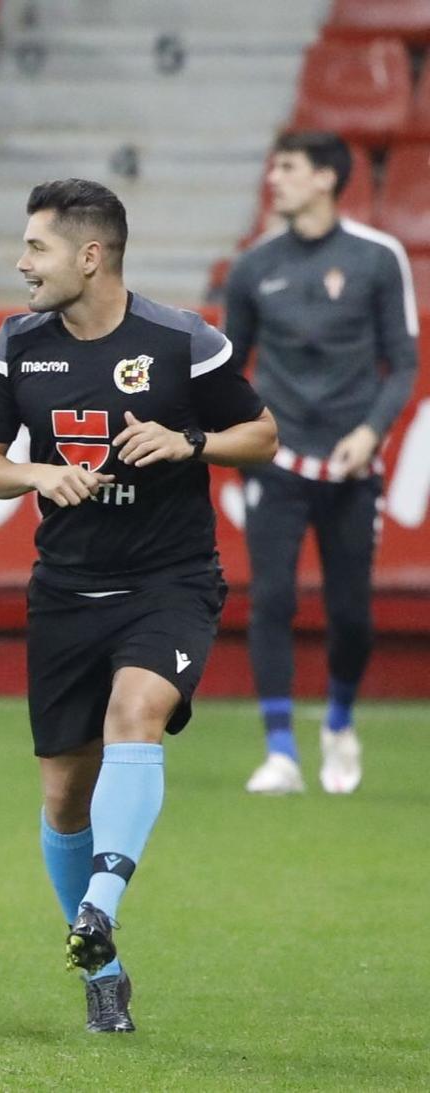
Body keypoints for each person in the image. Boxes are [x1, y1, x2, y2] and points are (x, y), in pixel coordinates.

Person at [0, 179, 277, 1033]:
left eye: (38, 248)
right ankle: (106, 966)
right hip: (64, 592)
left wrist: (192, 442)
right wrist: (36, 473)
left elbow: (263, 435)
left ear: (90, 256)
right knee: (65, 795)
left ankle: (99, 905)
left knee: (135, 712)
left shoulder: (184, 341)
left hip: (170, 582)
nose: (22, 264)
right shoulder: (18, 345)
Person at [222, 131, 418, 796]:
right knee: (271, 599)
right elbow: (229, 367)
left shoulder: (377, 257)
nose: (274, 179)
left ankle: (338, 721)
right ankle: (280, 750)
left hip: (352, 463)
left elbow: (405, 363)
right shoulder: (253, 267)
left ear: (327, 179)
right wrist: (244, 438)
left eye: (288, 168)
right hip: (276, 461)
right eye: (274, 166)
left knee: (352, 613)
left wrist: (371, 431)